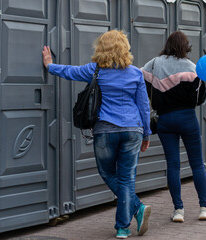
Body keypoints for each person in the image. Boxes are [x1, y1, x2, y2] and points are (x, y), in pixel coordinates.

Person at [42, 30, 151, 239]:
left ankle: (132, 216)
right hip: (133, 130)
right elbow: (144, 107)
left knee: (108, 173)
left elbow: (69, 71)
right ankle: (125, 223)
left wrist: (49, 65)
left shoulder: (95, 70)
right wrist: (146, 133)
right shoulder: (136, 73)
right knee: (127, 179)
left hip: (105, 131)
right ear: (125, 48)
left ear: (101, 48)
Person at [141, 31, 206, 223]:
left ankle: (178, 210)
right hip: (187, 119)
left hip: (164, 120)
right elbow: (200, 99)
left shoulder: (155, 64)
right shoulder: (192, 68)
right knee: (197, 163)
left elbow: (139, 77)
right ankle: (204, 208)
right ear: (185, 47)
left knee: (173, 165)